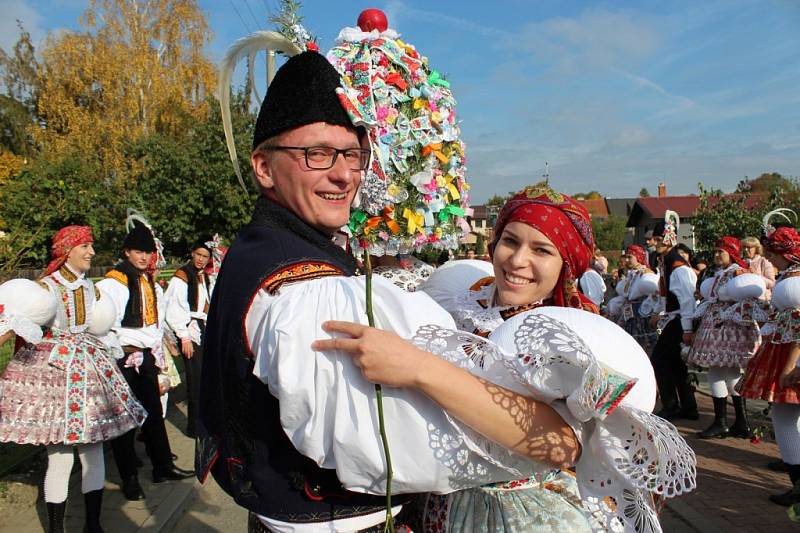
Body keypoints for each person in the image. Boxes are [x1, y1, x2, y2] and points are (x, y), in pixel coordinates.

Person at [0, 225, 146, 533]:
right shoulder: (44, 288)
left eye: (91, 246)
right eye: (86, 247)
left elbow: (100, 327)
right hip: (56, 374)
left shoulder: (91, 289)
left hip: (89, 369)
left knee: (92, 451)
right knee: (61, 455)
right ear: (67, 250)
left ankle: (93, 525)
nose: (92, 252)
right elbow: (15, 321)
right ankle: (57, 529)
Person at [97, 219, 194, 502]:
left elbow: (154, 321)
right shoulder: (113, 283)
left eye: (148, 252)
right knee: (125, 420)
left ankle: (162, 466)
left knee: (153, 412)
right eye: (138, 251)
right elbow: (106, 325)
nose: (144, 256)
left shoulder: (147, 279)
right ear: (127, 252)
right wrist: (122, 351)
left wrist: (162, 345)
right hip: (123, 358)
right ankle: (129, 478)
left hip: (146, 357)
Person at [739, 214, 800, 505]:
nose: (770, 260)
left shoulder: (794, 282)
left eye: (773, 254)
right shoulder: (790, 279)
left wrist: (791, 367)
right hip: (785, 350)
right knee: (787, 417)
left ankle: (799, 486)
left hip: (790, 354)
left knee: (785, 418)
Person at [685, 237, 763, 439]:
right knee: (728, 371)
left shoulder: (737, 272)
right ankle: (739, 422)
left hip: (728, 326)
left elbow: (746, 296)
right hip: (720, 323)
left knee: (719, 370)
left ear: (732, 253)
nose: (716, 255)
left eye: (721, 252)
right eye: (716, 252)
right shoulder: (724, 273)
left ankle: (726, 422)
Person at [649, 212, 700, 420]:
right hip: (675, 318)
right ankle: (688, 407)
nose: (654, 243)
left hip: (680, 320)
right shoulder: (667, 263)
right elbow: (668, 297)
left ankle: (672, 404)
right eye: (655, 239)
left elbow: (687, 300)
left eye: (659, 239)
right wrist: (661, 314)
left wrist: (687, 329)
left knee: (660, 360)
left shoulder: (678, 267)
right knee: (674, 363)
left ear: (669, 239)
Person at [164, 238, 214, 437]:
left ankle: (205, 420)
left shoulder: (203, 277)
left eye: (205, 256)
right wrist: (184, 337)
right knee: (195, 377)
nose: (201, 259)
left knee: (204, 376)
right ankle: (194, 426)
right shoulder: (182, 276)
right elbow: (175, 308)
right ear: (192, 254)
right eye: (199, 255)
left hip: (201, 325)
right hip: (188, 327)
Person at [615, 245, 660, 354]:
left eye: (630, 257)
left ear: (638, 257)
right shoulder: (631, 274)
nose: (626, 260)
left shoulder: (645, 273)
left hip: (641, 314)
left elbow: (654, 291)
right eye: (626, 257)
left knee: (643, 345)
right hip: (630, 314)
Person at [742, 235, 777, 300]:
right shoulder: (741, 262)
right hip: (744, 299)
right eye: (744, 247)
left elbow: (772, 284)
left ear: (756, 248)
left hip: (762, 300)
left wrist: (755, 276)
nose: (746, 250)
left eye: (749, 247)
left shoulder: (764, 261)